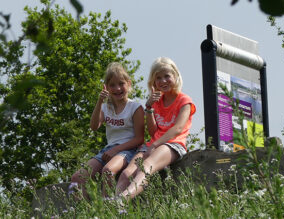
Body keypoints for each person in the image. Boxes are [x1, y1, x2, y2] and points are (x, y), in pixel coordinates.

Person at [115, 57, 196, 200]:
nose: (163, 81)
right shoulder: (157, 102)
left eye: (167, 76)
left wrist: (155, 145)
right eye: (158, 78)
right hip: (153, 144)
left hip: (173, 144)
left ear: (176, 76)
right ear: (153, 82)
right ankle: (112, 209)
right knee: (126, 174)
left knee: (146, 166)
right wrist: (149, 107)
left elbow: (177, 128)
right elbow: (153, 132)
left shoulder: (184, 101)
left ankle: (122, 200)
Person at [71, 62, 144, 199]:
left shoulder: (135, 107)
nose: (117, 88)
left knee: (108, 171)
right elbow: (94, 126)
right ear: (106, 87)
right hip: (108, 150)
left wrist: (116, 150)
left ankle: (108, 210)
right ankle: (87, 212)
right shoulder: (105, 107)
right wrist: (100, 101)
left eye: (121, 83)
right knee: (77, 177)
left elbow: (139, 138)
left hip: (128, 150)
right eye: (112, 85)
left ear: (128, 83)